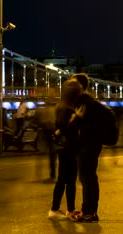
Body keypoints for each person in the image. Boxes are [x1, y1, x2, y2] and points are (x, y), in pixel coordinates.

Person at [70, 73, 104, 222]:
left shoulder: (83, 101)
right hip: (94, 144)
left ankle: (88, 212)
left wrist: (74, 119)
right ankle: (91, 211)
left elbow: (79, 124)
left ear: (79, 86)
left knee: (86, 179)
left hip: (87, 145)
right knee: (91, 178)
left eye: (73, 84)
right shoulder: (91, 100)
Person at [48, 79, 81, 220]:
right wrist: (77, 119)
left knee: (64, 179)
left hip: (63, 147)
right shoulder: (68, 109)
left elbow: (58, 128)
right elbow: (65, 128)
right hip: (70, 146)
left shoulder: (60, 106)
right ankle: (59, 209)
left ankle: (63, 209)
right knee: (68, 180)